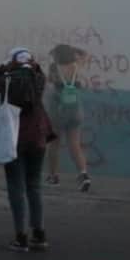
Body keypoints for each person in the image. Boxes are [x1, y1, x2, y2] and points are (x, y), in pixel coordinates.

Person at [0, 47, 56, 253]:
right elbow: (40, 72)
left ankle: (20, 236)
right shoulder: (39, 79)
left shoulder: (7, 81)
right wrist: (34, 65)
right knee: (34, 186)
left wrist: (5, 67)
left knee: (16, 188)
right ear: (30, 62)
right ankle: (39, 234)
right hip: (38, 138)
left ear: (12, 62)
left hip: (13, 139)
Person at [46, 44, 91, 192]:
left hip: (58, 112)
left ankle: (53, 177)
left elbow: (49, 81)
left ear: (57, 56)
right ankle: (83, 175)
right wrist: (74, 49)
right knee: (75, 144)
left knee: (54, 145)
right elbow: (85, 54)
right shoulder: (76, 66)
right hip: (75, 111)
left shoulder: (54, 68)